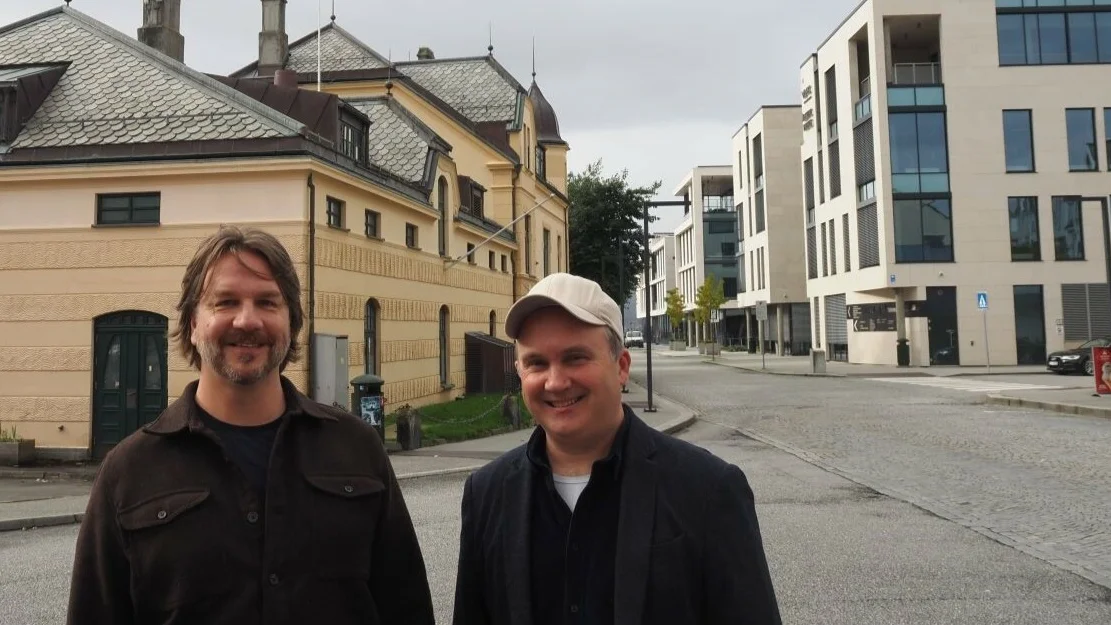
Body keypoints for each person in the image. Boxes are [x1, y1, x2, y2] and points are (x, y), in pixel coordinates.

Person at [67, 225, 434, 625]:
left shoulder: (357, 450)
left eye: (267, 302)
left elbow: (407, 606)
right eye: (225, 302)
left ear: (291, 322)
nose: (247, 320)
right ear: (192, 322)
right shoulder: (129, 473)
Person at [452, 272, 781, 625]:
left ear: (621, 367)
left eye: (575, 358)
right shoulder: (486, 494)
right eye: (537, 363)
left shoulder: (708, 491)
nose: (556, 381)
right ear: (520, 372)